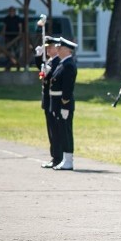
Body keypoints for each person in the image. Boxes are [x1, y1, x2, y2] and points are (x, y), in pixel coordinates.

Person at [50, 38, 78, 171]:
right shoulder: (62, 64)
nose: (58, 50)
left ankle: (68, 160)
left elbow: (67, 88)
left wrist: (64, 105)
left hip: (63, 103)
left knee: (66, 132)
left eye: (60, 48)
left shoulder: (68, 65)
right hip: (57, 103)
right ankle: (65, 159)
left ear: (67, 50)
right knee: (61, 131)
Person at [36, 36, 61, 168]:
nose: (48, 50)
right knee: (50, 130)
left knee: (55, 130)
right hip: (47, 99)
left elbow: (52, 78)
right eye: (47, 48)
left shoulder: (57, 62)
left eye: (50, 48)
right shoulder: (50, 61)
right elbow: (42, 75)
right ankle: (54, 156)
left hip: (53, 99)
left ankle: (57, 157)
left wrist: (46, 72)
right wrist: (38, 58)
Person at [2, 6, 22, 71]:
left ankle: (18, 65)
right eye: (10, 11)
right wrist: (3, 34)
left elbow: (20, 27)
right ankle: (8, 66)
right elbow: (4, 27)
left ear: (14, 11)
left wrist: (20, 35)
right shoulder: (6, 18)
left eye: (13, 11)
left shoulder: (18, 18)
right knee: (8, 52)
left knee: (17, 52)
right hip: (8, 37)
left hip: (16, 37)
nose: (11, 12)